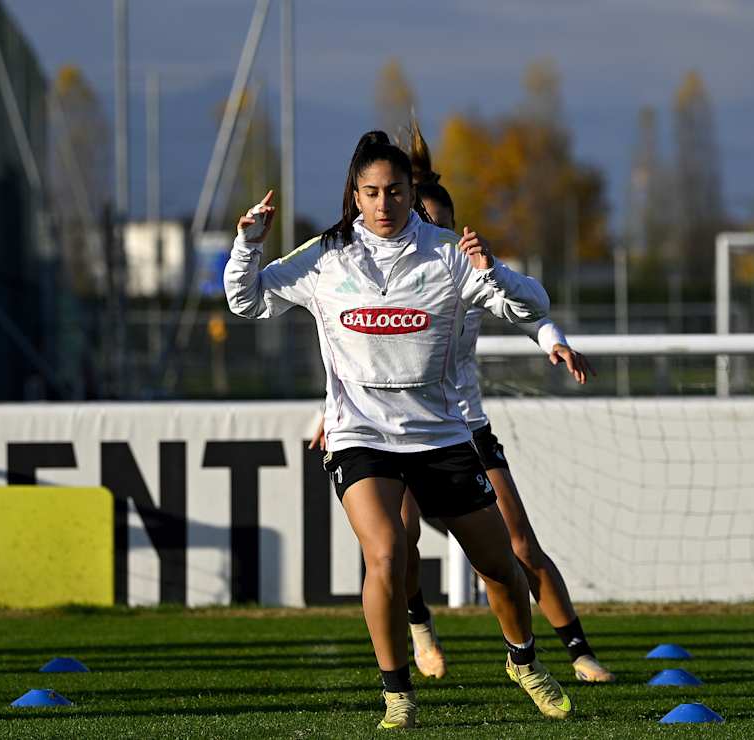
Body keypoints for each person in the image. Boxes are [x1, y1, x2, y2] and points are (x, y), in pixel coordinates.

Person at [226, 131, 572, 730]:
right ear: (354, 195)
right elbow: (247, 302)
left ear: (414, 191)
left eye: (394, 191)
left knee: (502, 568)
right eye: (370, 192)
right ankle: (397, 694)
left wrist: (500, 275)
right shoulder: (323, 258)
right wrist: (248, 244)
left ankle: (524, 660)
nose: (382, 203)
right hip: (360, 437)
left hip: (441, 438)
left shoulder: (448, 254)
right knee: (385, 553)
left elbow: (532, 306)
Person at [313, 120, 613, 684]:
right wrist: (325, 416)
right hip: (384, 432)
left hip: (461, 427)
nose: (426, 231)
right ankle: (419, 625)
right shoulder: (375, 268)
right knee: (395, 544)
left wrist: (556, 343)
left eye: (438, 224)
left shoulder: (460, 266)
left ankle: (576, 652)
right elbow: (358, 355)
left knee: (516, 545)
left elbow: (530, 312)